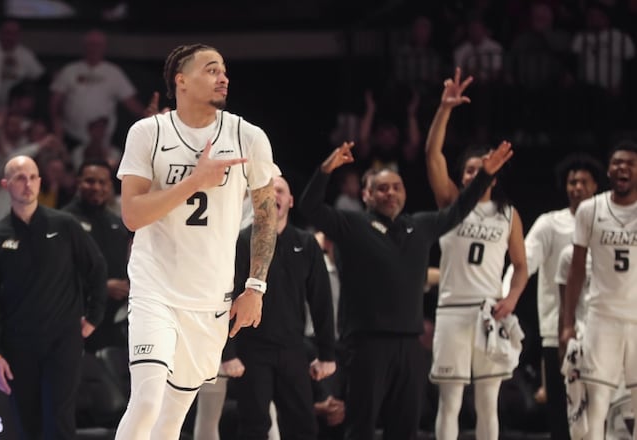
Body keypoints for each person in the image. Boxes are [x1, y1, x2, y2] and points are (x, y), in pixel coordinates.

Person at [113, 43, 277, 440]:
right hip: (155, 289)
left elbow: (266, 215)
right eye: (210, 69)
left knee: (172, 417)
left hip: (209, 298)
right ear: (180, 81)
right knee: (148, 399)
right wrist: (194, 181)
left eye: (223, 70)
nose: (223, 77)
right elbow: (132, 215)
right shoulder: (147, 132)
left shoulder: (249, 137)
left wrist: (255, 286)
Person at [299, 139, 514, 440]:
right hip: (365, 346)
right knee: (360, 428)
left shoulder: (420, 226)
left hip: (410, 347)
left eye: (397, 187)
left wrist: (485, 176)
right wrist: (325, 170)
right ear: (366, 195)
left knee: (405, 430)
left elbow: (459, 210)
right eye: (382, 189)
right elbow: (309, 207)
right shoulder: (351, 224)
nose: (391, 193)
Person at [425, 69, 528, 440]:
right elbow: (431, 153)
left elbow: (521, 267)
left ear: (494, 174)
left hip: (488, 311)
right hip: (452, 310)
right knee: (450, 402)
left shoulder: (508, 214)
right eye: (468, 170)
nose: (474, 174)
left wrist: (512, 298)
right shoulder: (451, 203)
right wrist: (444, 109)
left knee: (488, 402)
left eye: (480, 169)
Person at [0, 155, 107, 439]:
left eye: (33, 177)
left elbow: (97, 268)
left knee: (59, 420)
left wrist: (94, 317)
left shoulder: (65, 225)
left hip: (63, 341)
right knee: (27, 422)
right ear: (5, 184)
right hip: (18, 345)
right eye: (20, 178)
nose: (28, 184)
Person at [224, 174, 336, 439]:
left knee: (303, 426)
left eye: (281, 191)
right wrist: (228, 353)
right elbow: (226, 297)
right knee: (253, 426)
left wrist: (327, 354)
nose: (274, 196)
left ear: (291, 200)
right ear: (256, 198)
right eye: (268, 190)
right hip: (251, 349)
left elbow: (321, 301)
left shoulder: (307, 243)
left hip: (293, 349)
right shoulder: (241, 241)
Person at [502, 152, 602, 440]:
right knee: (561, 412)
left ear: (595, 185)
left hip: (601, 329)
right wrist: (504, 299)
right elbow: (523, 263)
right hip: (557, 331)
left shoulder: (607, 223)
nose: (577, 187)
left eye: (584, 181)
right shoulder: (550, 224)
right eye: (572, 182)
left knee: (599, 409)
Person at [560, 141, 637, 440]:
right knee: (596, 407)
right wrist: (568, 324)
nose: (623, 168)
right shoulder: (590, 210)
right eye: (617, 162)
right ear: (608, 170)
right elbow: (576, 269)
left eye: (630, 163)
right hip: (601, 319)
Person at [61, 159, 131, 354]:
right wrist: (103, 287)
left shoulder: (118, 225)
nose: (97, 187)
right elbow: (59, 274)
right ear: (78, 182)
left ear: (110, 186)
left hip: (113, 323)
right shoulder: (64, 221)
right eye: (90, 181)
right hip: (76, 319)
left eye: (103, 182)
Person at [49, 30, 158, 149]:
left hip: (102, 141)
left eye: (98, 45)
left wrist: (151, 117)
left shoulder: (113, 73)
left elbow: (131, 103)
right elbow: (55, 103)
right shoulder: (69, 71)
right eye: (91, 44)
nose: (94, 48)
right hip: (71, 136)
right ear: (84, 46)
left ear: (104, 48)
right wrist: (56, 127)